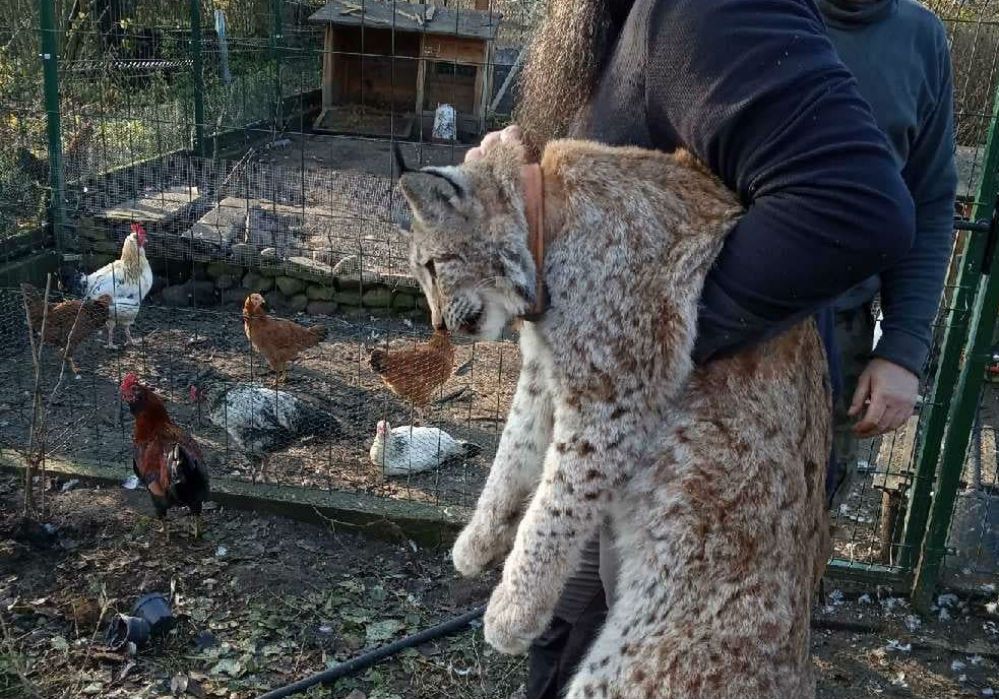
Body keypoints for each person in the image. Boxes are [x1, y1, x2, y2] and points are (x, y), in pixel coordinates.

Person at [461, 1, 933, 697]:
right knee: (578, 611)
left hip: (729, 391)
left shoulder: (713, 11)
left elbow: (870, 203)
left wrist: (903, 343)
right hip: (641, 391)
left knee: (677, 637)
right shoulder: (627, 20)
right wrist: (516, 186)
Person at [819, 0, 957, 507]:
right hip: (714, 331)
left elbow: (929, 201)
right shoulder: (729, 14)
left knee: (805, 525)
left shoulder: (921, 38)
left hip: (836, 336)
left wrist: (903, 348)